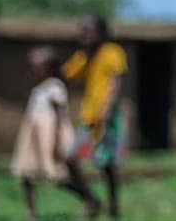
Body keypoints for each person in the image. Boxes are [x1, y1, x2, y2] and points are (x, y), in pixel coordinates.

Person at [12, 46, 100, 220]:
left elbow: (60, 117)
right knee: (26, 175)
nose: (33, 70)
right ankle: (31, 213)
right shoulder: (39, 88)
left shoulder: (55, 87)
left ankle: (90, 199)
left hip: (50, 136)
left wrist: (57, 142)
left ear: (49, 68)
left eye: (37, 67)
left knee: (60, 178)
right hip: (34, 139)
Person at [63, 14, 127, 219]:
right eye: (83, 31)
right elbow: (68, 74)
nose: (85, 35)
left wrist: (108, 110)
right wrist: (83, 54)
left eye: (89, 31)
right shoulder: (85, 57)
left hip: (106, 117)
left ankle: (114, 206)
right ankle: (91, 200)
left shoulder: (113, 52)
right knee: (71, 158)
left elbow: (116, 81)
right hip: (89, 117)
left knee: (106, 163)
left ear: (101, 32)